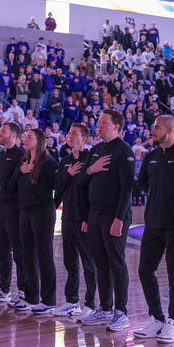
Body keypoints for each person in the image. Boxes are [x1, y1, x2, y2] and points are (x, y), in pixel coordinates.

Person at [133, 114, 174, 344]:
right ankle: (157, 318)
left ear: (169, 131)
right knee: (144, 270)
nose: (153, 130)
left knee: (173, 273)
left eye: (157, 127)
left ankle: (173, 322)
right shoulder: (151, 157)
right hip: (152, 223)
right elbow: (142, 184)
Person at [82, 108, 135, 332]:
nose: (99, 125)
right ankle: (104, 308)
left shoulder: (124, 151)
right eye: (99, 121)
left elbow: (126, 189)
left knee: (116, 261)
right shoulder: (95, 150)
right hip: (94, 212)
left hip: (114, 214)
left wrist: (119, 218)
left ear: (116, 127)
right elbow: (83, 181)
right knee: (99, 262)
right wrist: (91, 170)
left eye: (104, 122)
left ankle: (120, 312)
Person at [53, 122, 96, 317]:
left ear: (84, 139)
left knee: (88, 262)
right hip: (68, 217)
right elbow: (59, 189)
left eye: (74, 133)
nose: (70, 136)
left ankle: (90, 303)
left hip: (84, 219)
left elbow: (93, 192)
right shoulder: (65, 161)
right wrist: (67, 175)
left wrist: (88, 218)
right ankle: (72, 301)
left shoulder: (90, 160)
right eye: (69, 133)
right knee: (70, 262)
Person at [16, 127, 59, 313]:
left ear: (39, 140)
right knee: (28, 255)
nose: (25, 138)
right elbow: (12, 184)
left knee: (44, 255)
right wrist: (20, 171)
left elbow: (59, 187)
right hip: (25, 211)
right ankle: (31, 296)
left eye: (30, 136)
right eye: (25, 136)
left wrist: (51, 205)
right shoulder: (23, 161)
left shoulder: (49, 163)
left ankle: (48, 299)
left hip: (42, 211)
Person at [0, 121, 25, 305]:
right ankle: (4, 290)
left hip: (15, 209)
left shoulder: (22, 156)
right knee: (1, 250)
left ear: (13, 136)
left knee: (19, 252)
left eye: (3, 131)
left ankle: (24, 291)